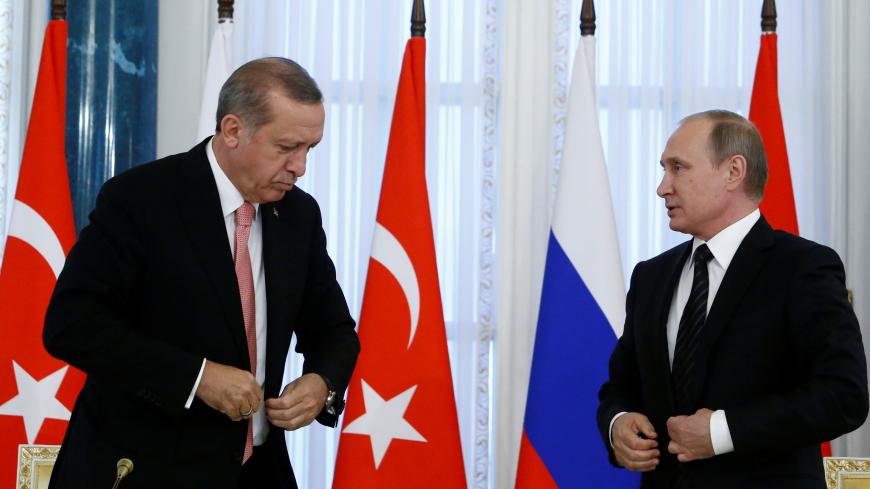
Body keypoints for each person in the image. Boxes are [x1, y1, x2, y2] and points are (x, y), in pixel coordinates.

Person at [43, 57, 360, 489]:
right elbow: (72, 325)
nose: (300, 167)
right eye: (287, 148)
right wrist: (197, 377)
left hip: (259, 473)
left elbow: (335, 329)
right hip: (144, 470)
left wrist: (321, 382)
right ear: (233, 131)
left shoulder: (300, 215)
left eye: (310, 149)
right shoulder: (141, 199)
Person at [597, 110, 868, 488]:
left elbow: (843, 396)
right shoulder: (651, 277)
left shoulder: (802, 267)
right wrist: (618, 422)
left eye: (678, 168)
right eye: (664, 169)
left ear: (733, 172)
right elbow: (621, 385)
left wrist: (722, 432)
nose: (662, 187)